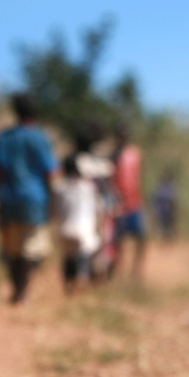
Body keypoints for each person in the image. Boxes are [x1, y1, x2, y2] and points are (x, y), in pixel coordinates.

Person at [0, 93, 59, 304]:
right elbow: (50, 172)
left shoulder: (5, 137)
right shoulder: (41, 137)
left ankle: (16, 288)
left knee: (12, 246)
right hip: (34, 198)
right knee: (29, 247)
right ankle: (23, 290)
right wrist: (52, 199)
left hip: (8, 196)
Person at [55, 132, 105, 294]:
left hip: (64, 231)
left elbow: (55, 210)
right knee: (86, 254)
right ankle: (82, 279)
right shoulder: (87, 187)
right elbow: (99, 209)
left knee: (68, 257)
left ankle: (68, 286)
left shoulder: (59, 187)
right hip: (83, 232)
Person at [112, 125, 146, 278]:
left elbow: (137, 178)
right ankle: (118, 271)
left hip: (135, 203)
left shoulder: (135, 154)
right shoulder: (113, 156)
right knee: (118, 241)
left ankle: (136, 271)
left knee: (141, 237)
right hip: (119, 205)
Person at [152, 172, 177, 240]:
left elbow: (155, 201)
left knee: (164, 226)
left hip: (163, 211)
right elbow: (173, 202)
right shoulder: (169, 189)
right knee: (166, 226)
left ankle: (166, 239)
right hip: (165, 211)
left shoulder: (160, 189)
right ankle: (165, 239)